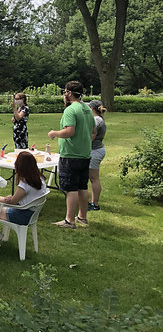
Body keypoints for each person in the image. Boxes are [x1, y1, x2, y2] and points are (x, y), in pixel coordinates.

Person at [48, 81, 96, 229]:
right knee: (82, 186)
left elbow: (69, 131)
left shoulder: (70, 110)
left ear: (69, 93)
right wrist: (84, 141)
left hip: (71, 155)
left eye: (65, 92)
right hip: (85, 154)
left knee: (71, 188)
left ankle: (70, 220)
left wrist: (54, 133)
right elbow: (94, 131)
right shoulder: (87, 109)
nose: (64, 95)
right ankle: (82, 217)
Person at [0, 151, 48, 246]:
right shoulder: (39, 179)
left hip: (23, 215)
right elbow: (15, 199)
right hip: (31, 212)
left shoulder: (25, 183)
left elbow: (12, 202)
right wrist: (5, 199)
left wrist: (4, 200)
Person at [88, 100, 107, 211]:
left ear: (91, 109)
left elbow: (90, 137)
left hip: (95, 151)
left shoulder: (95, 121)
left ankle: (94, 204)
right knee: (93, 178)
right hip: (97, 150)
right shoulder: (99, 119)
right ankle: (93, 202)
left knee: (94, 178)